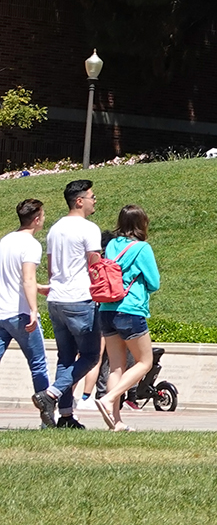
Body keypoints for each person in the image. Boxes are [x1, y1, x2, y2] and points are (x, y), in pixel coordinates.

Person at [36, 176, 102, 430]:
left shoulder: (55, 229)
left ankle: (65, 416)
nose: (94, 201)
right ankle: (50, 395)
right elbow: (95, 266)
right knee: (89, 355)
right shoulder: (89, 228)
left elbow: (52, 268)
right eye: (91, 197)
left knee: (65, 358)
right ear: (79, 201)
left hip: (56, 299)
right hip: (80, 299)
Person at [91, 205, 160, 430]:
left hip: (107, 310)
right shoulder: (142, 248)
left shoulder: (111, 244)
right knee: (145, 361)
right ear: (142, 223)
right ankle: (109, 399)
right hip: (131, 310)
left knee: (115, 367)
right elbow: (154, 283)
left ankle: (116, 420)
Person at [0, 199, 48, 426]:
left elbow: (12, 277)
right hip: (20, 313)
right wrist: (33, 309)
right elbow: (27, 277)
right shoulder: (31, 245)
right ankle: (48, 415)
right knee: (38, 363)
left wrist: (37, 288)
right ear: (37, 219)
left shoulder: (5, 241)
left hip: (1, 312)